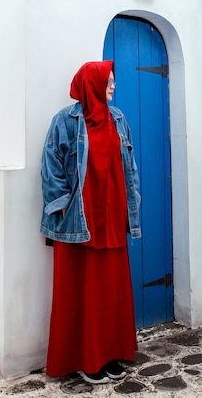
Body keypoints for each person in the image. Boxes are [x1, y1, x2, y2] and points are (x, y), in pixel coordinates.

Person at [40, 60, 141, 384]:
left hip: (111, 219)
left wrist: (132, 207)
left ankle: (109, 354)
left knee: (111, 293)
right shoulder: (65, 122)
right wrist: (64, 207)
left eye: (113, 80)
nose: (113, 87)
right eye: (108, 81)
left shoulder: (118, 119)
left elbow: (130, 168)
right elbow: (51, 168)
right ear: (91, 84)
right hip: (77, 224)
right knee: (78, 294)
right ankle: (82, 359)